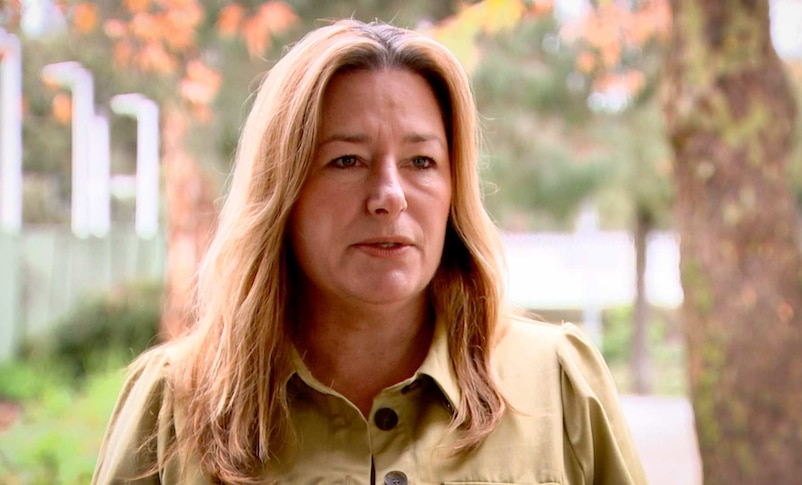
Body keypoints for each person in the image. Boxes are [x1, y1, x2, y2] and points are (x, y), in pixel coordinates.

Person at [92, 19, 647, 485]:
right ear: (282, 190)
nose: (390, 196)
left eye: (421, 161)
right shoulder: (173, 403)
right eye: (347, 161)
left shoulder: (557, 383)